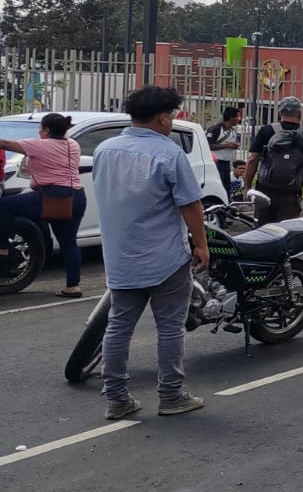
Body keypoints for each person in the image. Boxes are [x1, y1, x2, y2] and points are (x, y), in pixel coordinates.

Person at [92, 86, 208, 419]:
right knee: (170, 328)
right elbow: (191, 205)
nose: (172, 122)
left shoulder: (105, 150)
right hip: (165, 259)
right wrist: (200, 245)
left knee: (117, 328)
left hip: (120, 257)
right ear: (161, 118)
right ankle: (171, 396)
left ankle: (116, 400)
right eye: (171, 116)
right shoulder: (169, 153)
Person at [0, 112, 88, 297]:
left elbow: (4, 144)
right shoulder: (72, 144)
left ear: (47, 131)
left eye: (40, 129)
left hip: (53, 196)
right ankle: (73, 286)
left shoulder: (38, 145)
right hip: (77, 196)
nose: (39, 132)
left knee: (5, 205)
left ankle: (3, 248)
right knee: (69, 242)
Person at [243, 97, 303, 224]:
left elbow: (252, 160)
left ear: (279, 113)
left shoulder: (267, 131)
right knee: (287, 231)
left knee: (262, 231)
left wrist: (247, 186)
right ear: (299, 113)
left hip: (265, 190)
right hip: (291, 193)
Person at [205, 105, 243, 195]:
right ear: (231, 117)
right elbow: (208, 146)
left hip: (226, 162)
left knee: (226, 186)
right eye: (237, 116)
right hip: (216, 162)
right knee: (219, 185)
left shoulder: (233, 130)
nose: (239, 118)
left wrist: (235, 145)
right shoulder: (216, 129)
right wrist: (227, 145)